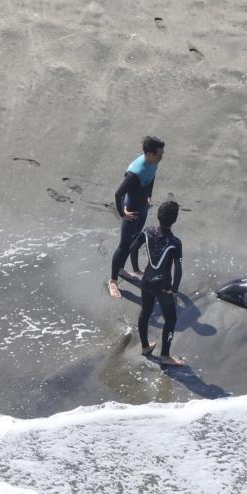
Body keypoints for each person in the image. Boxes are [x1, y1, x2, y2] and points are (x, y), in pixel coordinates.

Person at [108, 136, 165, 299]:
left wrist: (149, 196)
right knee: (124, 246)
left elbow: (152, 177)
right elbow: (118, 193)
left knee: (134, 241)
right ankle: (112, 280)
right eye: (160, 154)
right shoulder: (135, 172)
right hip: (131, 211)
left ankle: (121, 270)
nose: (162, 156)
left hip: (142, 208)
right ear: (149, 154)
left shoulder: (154, 163)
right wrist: (122, 213)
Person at [129, 200, 184, 366]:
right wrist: (174, 290)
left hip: (147, 281)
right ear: (174, 220)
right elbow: (179, 269)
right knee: (171, 319)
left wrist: (136, 270)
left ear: (158, 216)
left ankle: (145, 347)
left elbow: (132, 248)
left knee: (145, 312)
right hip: (163, 287)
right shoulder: (175, 243)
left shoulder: (148, 231)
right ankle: (165, 356)